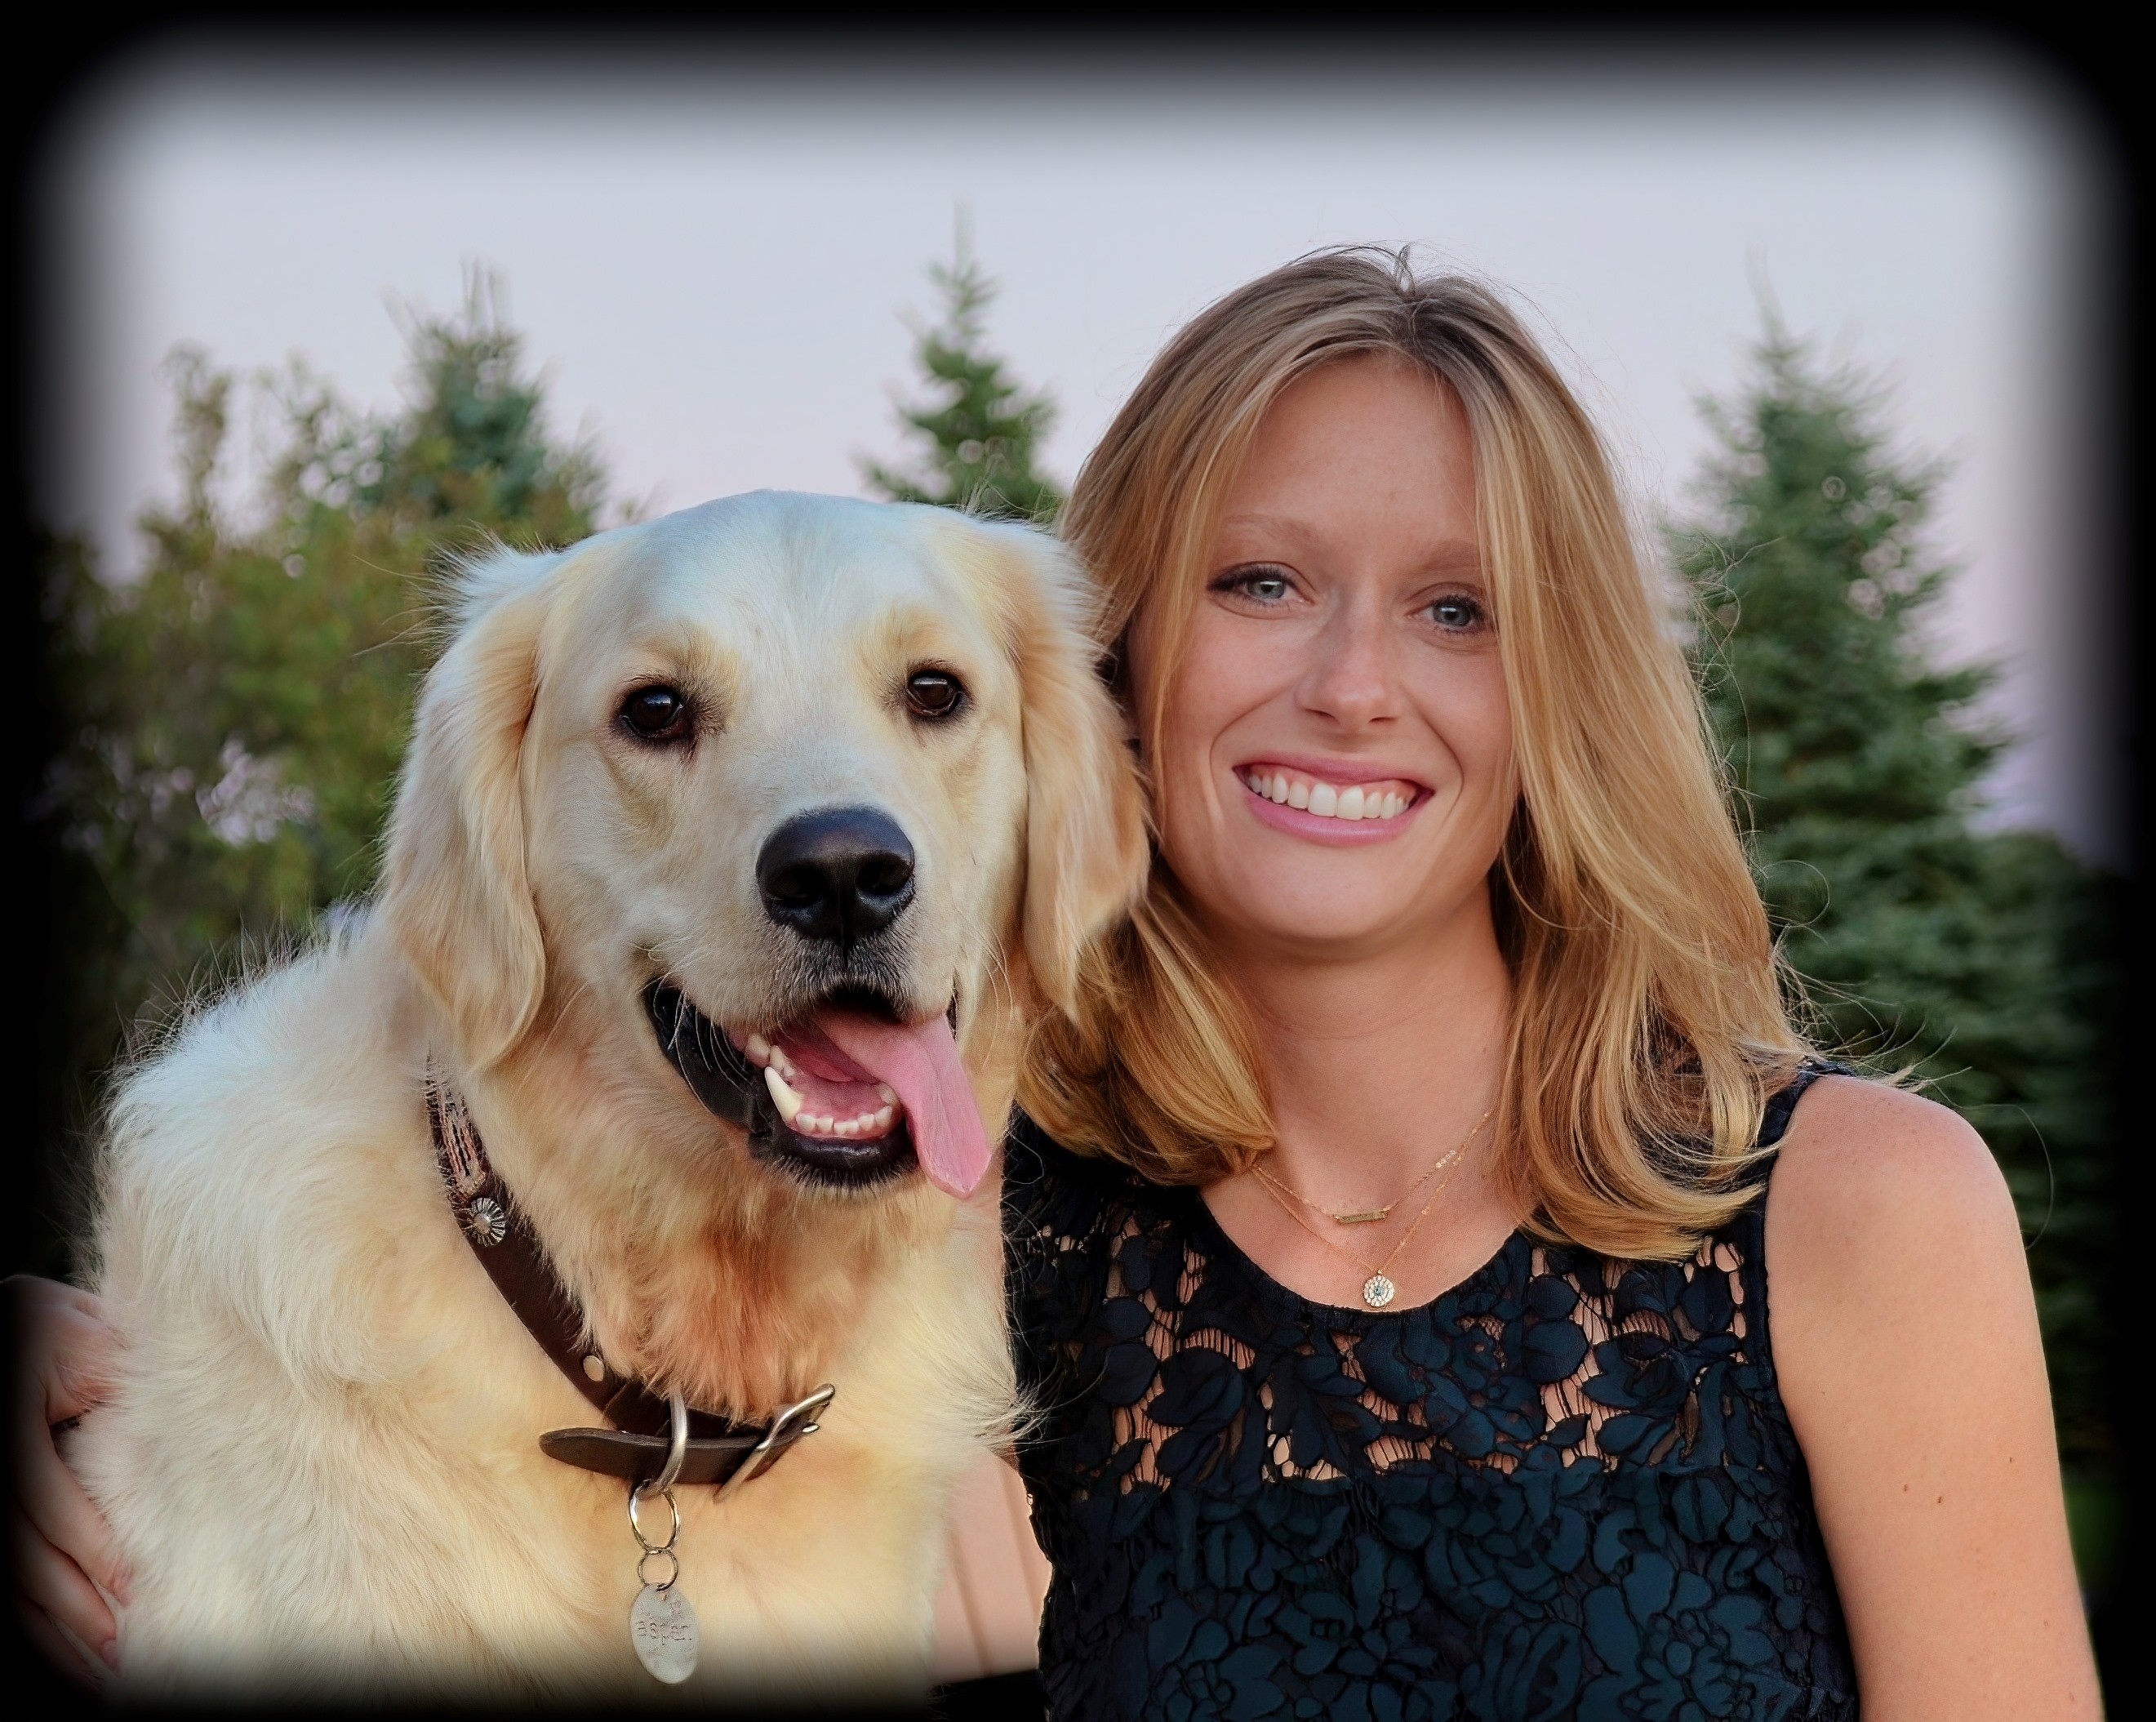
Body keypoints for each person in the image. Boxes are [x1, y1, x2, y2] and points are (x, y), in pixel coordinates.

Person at [13, 251, 2098, 1719]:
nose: (1354, 682)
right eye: (1260, 581)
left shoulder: (1858, 1211)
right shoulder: (948, 1235)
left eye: (1459, 607)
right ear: (1103, 697)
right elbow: (390, 1305)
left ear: (1561, 684)